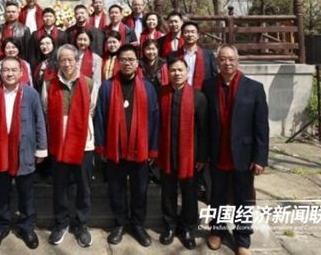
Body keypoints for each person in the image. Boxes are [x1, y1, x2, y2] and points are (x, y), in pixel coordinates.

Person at [0, 57, 48, 252]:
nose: (9, 73)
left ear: (21, 73)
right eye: (6, 70)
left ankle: (27, 227)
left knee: (26, 192)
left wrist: (41, 148)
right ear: (0, 72)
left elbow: (39, 121)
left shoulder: (30, 94)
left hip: (24, 149)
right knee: (0, 192)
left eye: (14, 70)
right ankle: (1, 227)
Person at [202, 45, 269, 255]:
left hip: (243, 154)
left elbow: (261, 127)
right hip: (218, 153)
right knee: (217, 196)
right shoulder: (208, 85)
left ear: (238, 61)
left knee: (243, 198)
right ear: (217, 62)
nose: (227, 63)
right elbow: (205, 124)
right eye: (223, 59)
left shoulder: (254, 88)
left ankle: (242, 239)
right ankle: (217, 230)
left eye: (231, 59)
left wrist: (260, 158)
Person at [94, 45, 159, 247]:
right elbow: (100, 117)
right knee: (116, 187)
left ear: (137, 62)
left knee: (140, 189)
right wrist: (101, 146)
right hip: (115, 147)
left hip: (140, 148)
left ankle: (138, 224)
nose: (127, 63)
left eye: (131, 59)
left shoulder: (147, 87)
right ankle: (120, 222)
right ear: (118, 62)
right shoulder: (107, 87)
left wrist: (153, 148)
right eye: (123, 59)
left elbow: (154, 118)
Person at [42, 44, 97, 248]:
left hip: (84, 144)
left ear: (77, 61)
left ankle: (81, 224)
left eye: (70, 60)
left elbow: (92, 110)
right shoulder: (49, 84)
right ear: (58, 62)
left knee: (83, 186)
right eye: (62, 60)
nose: (66, 64)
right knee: (60, 186)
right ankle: (61, 223)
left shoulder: (89, 83)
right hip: (59, 143)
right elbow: (46, 110)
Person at [158, 56, 208, 249]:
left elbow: (203, 130)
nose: (177, 73)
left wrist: (202, 156)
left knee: (189, 193)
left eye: (180, 70)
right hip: (167, 152)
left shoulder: (198, 97)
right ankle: (169, 225)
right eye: (173, 70)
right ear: (168, 73)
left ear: (187, 73)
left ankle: (188, 228)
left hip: (190, 155)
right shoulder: (161, 93)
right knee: (168, 192)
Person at [182, 21, 218, 90]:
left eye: (193, 32)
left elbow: (214, 77)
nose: (190, 35)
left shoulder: (208, 55)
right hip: (180, 93)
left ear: (198, 35)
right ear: (182, 35)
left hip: (203, 93)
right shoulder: (175, 55)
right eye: (186, 32)